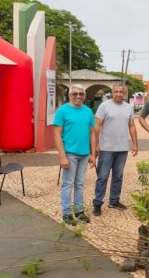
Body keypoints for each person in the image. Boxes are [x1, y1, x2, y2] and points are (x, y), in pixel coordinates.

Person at [92, 84, 138, 216]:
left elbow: (132, 126)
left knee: (118, 176)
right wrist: (96, 145)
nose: (118, 94)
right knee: (102, 176)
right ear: (112, 92)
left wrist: (135, 144)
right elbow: (97, 126)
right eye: (116, 92)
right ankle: (97, 203)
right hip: (106, 149)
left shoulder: (129, 107)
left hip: (122, 149)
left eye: (121, 92)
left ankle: (114, 200)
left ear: (125, 94)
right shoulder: (104, 106)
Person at [54, 84, 96, 225]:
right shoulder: (62, 111)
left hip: (85, 154)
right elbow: (57, 134)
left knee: (80, 184)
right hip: (70, 153)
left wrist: (93, 154)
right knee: (68, 184)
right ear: (69, 95)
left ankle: (79, 211)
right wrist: (62, 156)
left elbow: (92, 133)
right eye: (75, 94)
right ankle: (66, 213)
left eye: (81, 94)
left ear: (84, 96)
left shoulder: (88, 111)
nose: (78, 96)